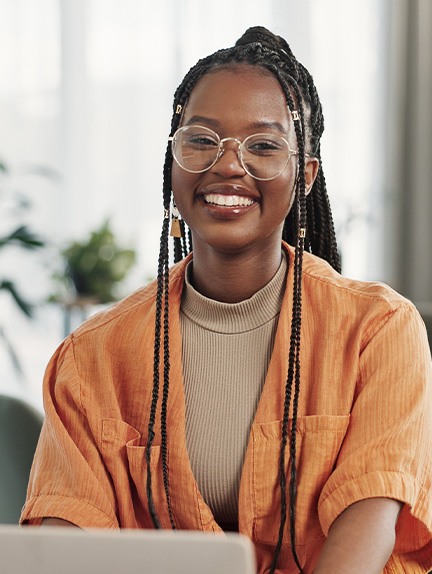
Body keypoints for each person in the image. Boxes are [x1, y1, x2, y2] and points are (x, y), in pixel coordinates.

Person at [21, 26, 432, 574]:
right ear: (173, 163)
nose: (228, 165)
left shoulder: (380, 330)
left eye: (262, 145)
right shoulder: (92, 357)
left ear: (303, 175)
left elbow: (371, 520)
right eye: (201, 140)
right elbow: (65, 552)